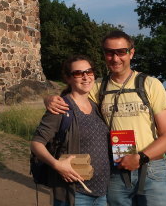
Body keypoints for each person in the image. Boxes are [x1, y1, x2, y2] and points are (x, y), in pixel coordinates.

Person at [46, 31, 166, 206]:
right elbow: (72, 97)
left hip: (151, 169)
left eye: (121, 52)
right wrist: (48, 99)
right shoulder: (98, 87)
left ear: (131, 53)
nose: (115, 58)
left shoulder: (150, 84)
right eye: (109, 52)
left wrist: (139, 158)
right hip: (116, 171)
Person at [32, 55, 110, 205]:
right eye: (78, 73)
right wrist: (57, 165)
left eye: (89, 71)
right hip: (75, 194)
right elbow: (36, 144)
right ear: (68, 78)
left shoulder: (95, 106)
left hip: (101, 193)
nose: (86, 77)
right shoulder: (62, 107)